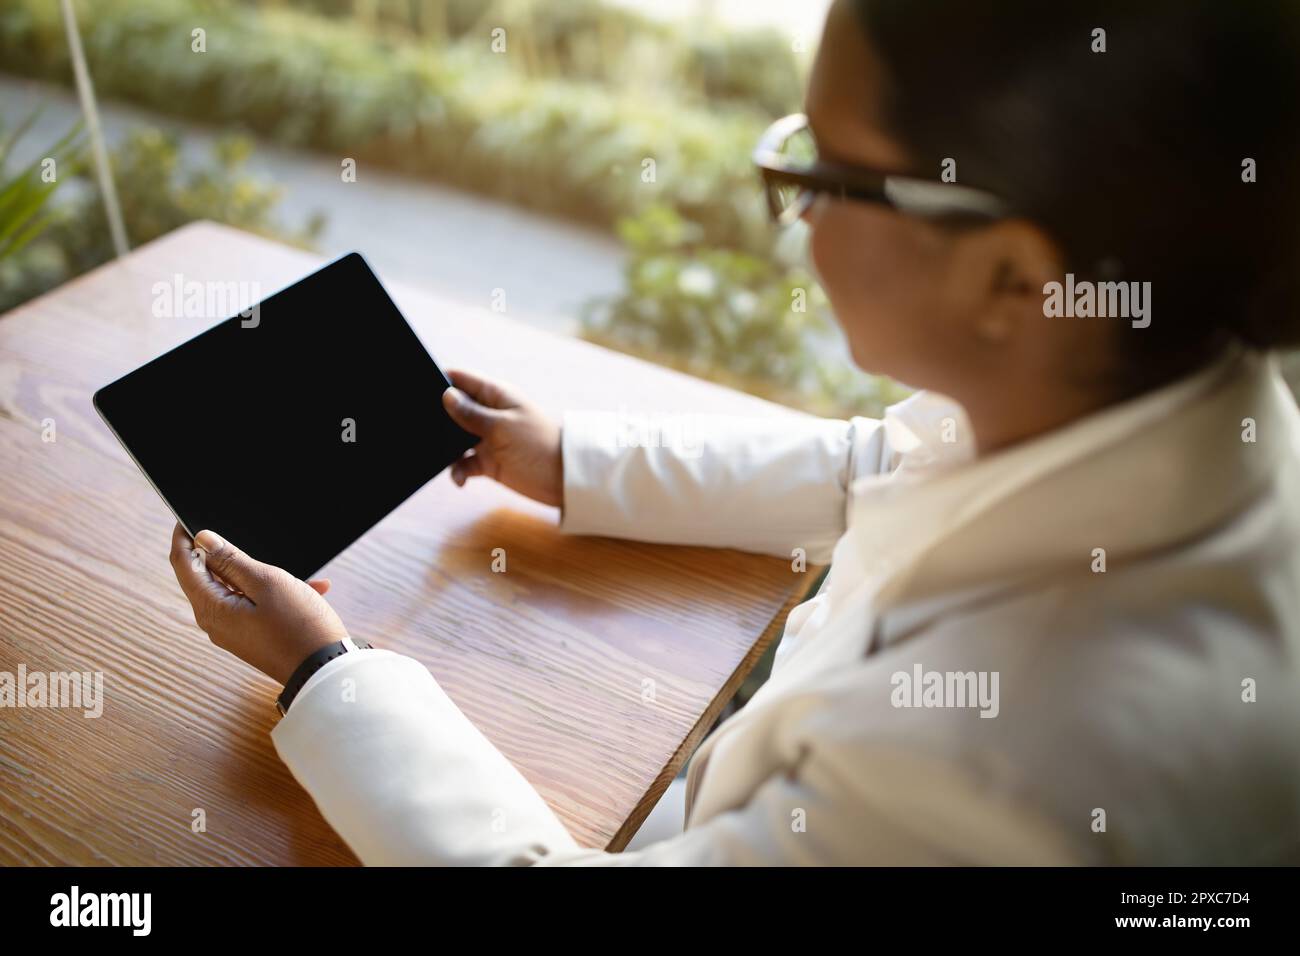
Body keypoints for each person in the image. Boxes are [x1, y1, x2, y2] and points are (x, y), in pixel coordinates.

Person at [168, 0, 1300, 864]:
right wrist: (571, 458)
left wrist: (323, 670)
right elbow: (877, 467)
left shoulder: (1002, 766)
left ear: (1010, 275)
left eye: (822, 170)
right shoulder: (1161, 398)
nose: (796, 208)